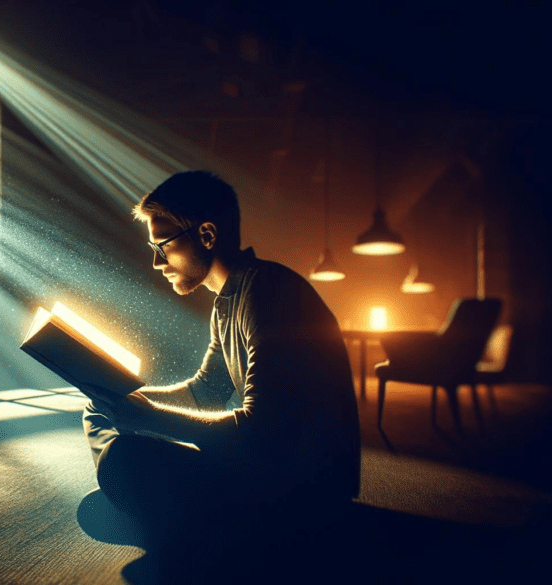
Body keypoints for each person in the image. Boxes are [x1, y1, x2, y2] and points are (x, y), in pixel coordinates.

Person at [81, 170, 361, 548]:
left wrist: (146, 416)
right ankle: (155, 504)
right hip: (260, 470)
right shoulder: (228, 301)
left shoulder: (269, 293)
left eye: (162, 246)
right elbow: (207, 389)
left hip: (303, 489)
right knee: (98, 409)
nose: (156, 262)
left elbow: (264, 435)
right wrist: (130, 397)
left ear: (207, 235)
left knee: (122, 458)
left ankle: (161, 511)